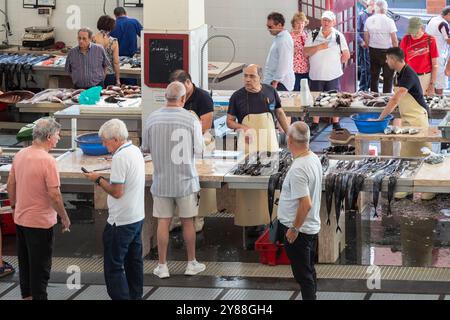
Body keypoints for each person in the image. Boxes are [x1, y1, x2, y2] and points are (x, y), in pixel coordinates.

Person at [142, 82, 206, 279]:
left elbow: (145, 148)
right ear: (183, 98)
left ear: (165, 96)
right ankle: (191, 263)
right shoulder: (191, 119)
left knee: (163, 221)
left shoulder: (152, 118)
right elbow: (200, 150)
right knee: (188, 222)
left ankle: (162, 266)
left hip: (162, 180)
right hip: (186, 180)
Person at [6, 118, 71, 300]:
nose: (59, 138)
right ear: (49, 137)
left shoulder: (20, 155)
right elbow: (54, 195)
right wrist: (64, 217)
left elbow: (11, 184)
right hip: (40, 224)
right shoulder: (48, 161)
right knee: (40, 272)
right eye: (58, 135)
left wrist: (14, 206)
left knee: (25, 267)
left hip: (21, 220)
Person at [83, 119, 145, 300]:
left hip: (120, 221)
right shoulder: (134, 150)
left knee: (114, 267)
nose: (103, 144)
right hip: (137, 217)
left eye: (105, 141)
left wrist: (98, 179)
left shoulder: (120, 157)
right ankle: (136, 296)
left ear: (117, 139)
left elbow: (117, 192)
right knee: (134, 263)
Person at [226, 64, 290, 233]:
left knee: (272, 180)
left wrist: (290, 134)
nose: (248, 79)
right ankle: (250, 222)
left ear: (260, 77)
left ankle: (273, 220)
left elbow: (280, 113)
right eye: (245, 76)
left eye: (252, 76)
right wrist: (242, 127)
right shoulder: (237, 96)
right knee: (248, 184)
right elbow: (229, 121)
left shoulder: (270, 91)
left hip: (269, 143)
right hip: (249, 146)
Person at [376, 47, 434, 201]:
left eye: (388, 59)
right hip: (408, 120)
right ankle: (405, 188)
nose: (386, 62)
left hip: (418, 119)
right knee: (406, 156)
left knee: (425, 154)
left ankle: (431, 189)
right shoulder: (400, 73)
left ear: (393, 59)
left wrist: (380, 118)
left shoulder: (407, 73)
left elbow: (396, 99)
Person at [278, 122, 322, 301]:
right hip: (310, 228)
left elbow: (306, 204)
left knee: (304, 277)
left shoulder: (298, 169)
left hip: (300, 231)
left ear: (289, 140)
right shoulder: (313, 158)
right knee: (309, 271)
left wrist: (293, 230)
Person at [169, 70, 215, 233]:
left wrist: (188, 138)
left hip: (202, 143)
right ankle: (177, 218)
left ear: (189, 82)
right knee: (179, 181)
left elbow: (205, 125)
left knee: (198, 182)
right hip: (180, 146)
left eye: (181, 87)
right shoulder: (176, 95)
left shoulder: (203, 97)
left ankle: (198, 217)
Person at [304, 10, 350, 132]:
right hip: (316, 74)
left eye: (328, 20)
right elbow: (306, 52)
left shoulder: (338, 36)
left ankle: (336, 123)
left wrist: (337, 63)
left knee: (335, 99)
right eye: (324, 20)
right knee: (316, 100)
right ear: (321, 21)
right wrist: (319, 47)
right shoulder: (313, 34)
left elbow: (346, 54)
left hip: (333, 75)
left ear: (333, 22)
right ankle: (315, 123)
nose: (326, 22)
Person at [364, 0, 398, 93]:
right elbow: (394, 39)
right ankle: (386, 98)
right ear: (385, 9)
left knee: (374, 75)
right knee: (388, 76)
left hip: (373, 50)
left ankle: (374, 96)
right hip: (387, 51)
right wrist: (396, 52)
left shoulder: (369, 20)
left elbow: (366, 35)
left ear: (375, 8)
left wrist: (367, 45)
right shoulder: (389, 21)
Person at [400, 17, 439, 96]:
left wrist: (432, 84)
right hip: (409, 76)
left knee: (423, 103)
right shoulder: (406, 39)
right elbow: (401, 60)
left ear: (421, 28)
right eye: (411, 32)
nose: (413, 35)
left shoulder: (430, 39)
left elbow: (435, 64)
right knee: (409, 101)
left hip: (425, 77)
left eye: (416, 32)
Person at [263, 12, 295, 92]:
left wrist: (275, 81)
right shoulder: (279, 38)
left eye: (270, 26)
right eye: (267, 26)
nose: (268, 29)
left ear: (279, 25)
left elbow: (284, 63)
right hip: (275, 81)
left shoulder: (284, 40)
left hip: (280, 83)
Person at [425, 6, 450, 95]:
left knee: (431, 80)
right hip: (439, 56)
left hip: (428, 54)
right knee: (440, 82)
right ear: (448, 14)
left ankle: (431, 100)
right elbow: (448, 41)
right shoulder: (443, 24)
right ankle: (439, 101)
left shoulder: (432, 19)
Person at [93, 15, 121, 87]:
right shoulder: (114, 41)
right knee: (108, 96)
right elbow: (116, 62)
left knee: (95, 97)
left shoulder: (92, 39)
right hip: (109, 74)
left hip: (94, 74)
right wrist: (118, 80)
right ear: (111, 27)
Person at [357, 0, 376, 92]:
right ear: (367, 5)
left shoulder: (377, 16)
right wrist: (361, 42)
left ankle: (372, 89)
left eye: (374, 4)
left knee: (374, 68)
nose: (373, 6)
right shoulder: (361, 15)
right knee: (365, 68)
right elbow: (356, 31)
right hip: (364, 46)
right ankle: (363, 89)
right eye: (371, 4)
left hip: (375, 46)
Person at [291, 12, 310, 92]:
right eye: (298, 23)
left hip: (306, 69)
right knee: (295, 92)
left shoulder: (307, 35)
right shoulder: (289, 36)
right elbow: (285, 53)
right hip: (295, 70)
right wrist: (294, 50)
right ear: (293, 24)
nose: (300, 25)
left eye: (302, 23)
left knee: (305, 92)